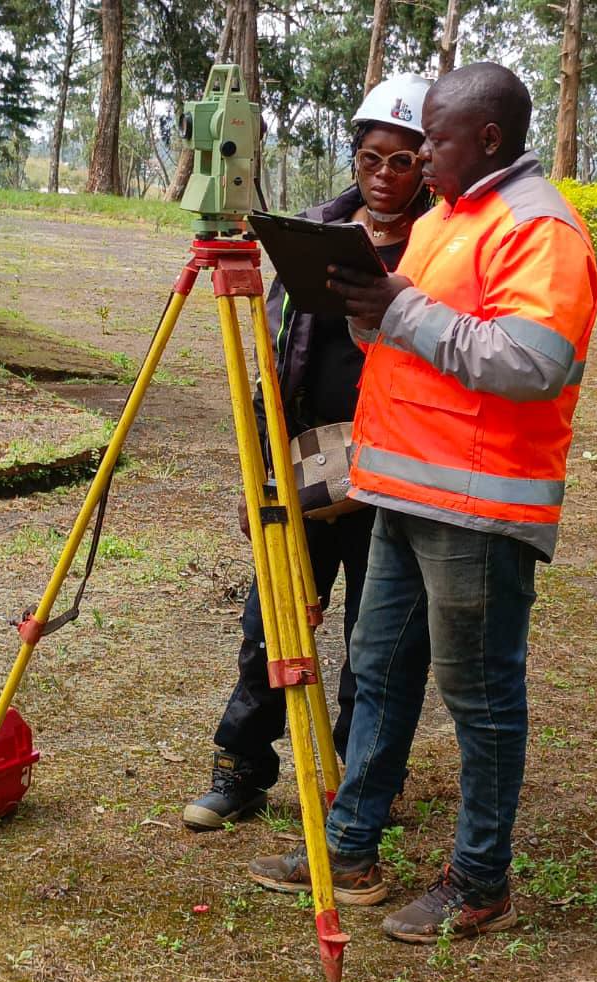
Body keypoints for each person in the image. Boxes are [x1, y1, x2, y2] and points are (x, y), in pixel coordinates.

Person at [248, 62, 597, 941]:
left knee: (479, 697)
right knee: (379, 673)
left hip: (479, 508)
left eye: (433, 139)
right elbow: (416, 336)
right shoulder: (446, 218)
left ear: (487, 138)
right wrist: (365, 308)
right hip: (403, 490)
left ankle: (480, 880)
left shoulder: (539, 228)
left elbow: (529, 361)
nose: (418, 153)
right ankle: (350, 848)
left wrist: (398, 310)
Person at [183, 74, 435, 831]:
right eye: (370, 158)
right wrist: (264, 466)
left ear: (429, 165)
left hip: (392, 473)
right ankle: (242, 768)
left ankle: (360, 785)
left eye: (403, 162)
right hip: (305, 463)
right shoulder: (314, 230)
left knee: (376, 642)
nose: (384, 176)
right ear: (353, 155)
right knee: (272, 618)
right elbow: (273, 357)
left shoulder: (444, 243)